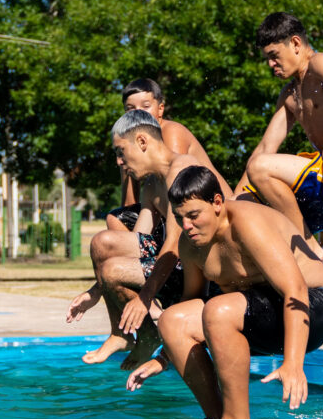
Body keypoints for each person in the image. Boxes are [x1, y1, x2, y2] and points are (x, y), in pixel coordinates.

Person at [125, 165, 323, 419]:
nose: (186, 226)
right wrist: (165, 356)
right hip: (258, 314)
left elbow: (295, 289)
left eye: (193, 215)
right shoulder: (191, 245)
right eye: (179, 217)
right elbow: (191, 305)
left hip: (313, 308)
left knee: (219, 310)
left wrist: (293, 362)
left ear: (217, 203)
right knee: (172, 321)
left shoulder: (247, 223)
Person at [66, 110, 233, 368]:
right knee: (102, 243)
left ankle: (144, 334)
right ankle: (125, 333)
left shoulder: (182, 170)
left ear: (142, 141)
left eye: (121, 151)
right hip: (179, 263)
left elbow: (174, 246)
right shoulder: (152, 185)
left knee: (113, 270)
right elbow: (140, 241)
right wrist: (97, 290)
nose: (119, 161)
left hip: (207, 273)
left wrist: (145, 298)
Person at [237, 12, 323, 268]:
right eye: (267, 58)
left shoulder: (319, 64)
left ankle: (315, 253)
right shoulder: (289, 94)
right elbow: (264, 148)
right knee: (251, 212)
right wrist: (234, 203)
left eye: (274, 55)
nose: (271, 64)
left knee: (260, 169)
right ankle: (307, 280)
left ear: (296, 43)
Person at [107, 78, 221, 232]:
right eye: (130, 108)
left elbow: (181, 194)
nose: (138, 112)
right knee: (116, 219)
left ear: (160, 109)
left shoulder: (171, 133)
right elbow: (129, 206)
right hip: (170, 209)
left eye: (145, 106)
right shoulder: (128, 148)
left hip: (197, 208)